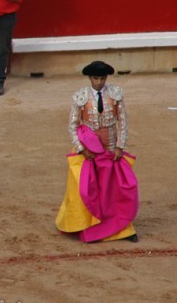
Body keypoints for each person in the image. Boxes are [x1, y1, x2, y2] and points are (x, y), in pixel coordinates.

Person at [55, 61, 138, 243]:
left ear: (106, 78)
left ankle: (122, 229)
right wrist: (81, 149)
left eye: (102, 78)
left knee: (114, 190)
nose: (99, 82)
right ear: (89, 78)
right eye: (95, 78)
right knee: (86, 190)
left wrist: (119, 146)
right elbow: (73, 126)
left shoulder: (115, 95)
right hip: (89, 152)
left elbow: (123, 122)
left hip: (109, 149)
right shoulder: (80, 97)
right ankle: (86, 225)